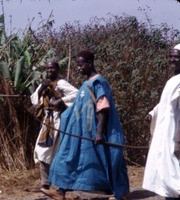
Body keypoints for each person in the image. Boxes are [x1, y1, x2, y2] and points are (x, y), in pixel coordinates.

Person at [42, 51, 129, 200]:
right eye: (77, 65)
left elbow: (103, 108)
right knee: (66, 158)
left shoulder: (98, 82)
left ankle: (119, 191)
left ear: (90, 63)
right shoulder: (86, 84)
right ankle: (60, 191)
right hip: (80, 133)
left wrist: (99, 132)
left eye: (81, 65)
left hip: (93, 132)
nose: (78, 68)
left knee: (107, 161)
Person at [30, 58, 78, 191]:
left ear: (57, 69)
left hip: (59, 120)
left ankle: (63, 183)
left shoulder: (61, 83)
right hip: (48, 120)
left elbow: (76, 94)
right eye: (47, 68)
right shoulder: (45, 83)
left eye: (52, 68)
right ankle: (45, 182)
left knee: (58, 151)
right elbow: (34, 100)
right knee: (42, 150)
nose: (49, 70)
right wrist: (41, 89)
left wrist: (61, 100)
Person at [142, 44, 180, 199]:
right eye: (170, 56)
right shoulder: (173, 80)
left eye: (176, 57)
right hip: (165, 130)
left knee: (172, 168)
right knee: (165, 167)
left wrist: (178, 139)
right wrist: (153, 113)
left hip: (174, 131)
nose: (172, 59)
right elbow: (165, 103)